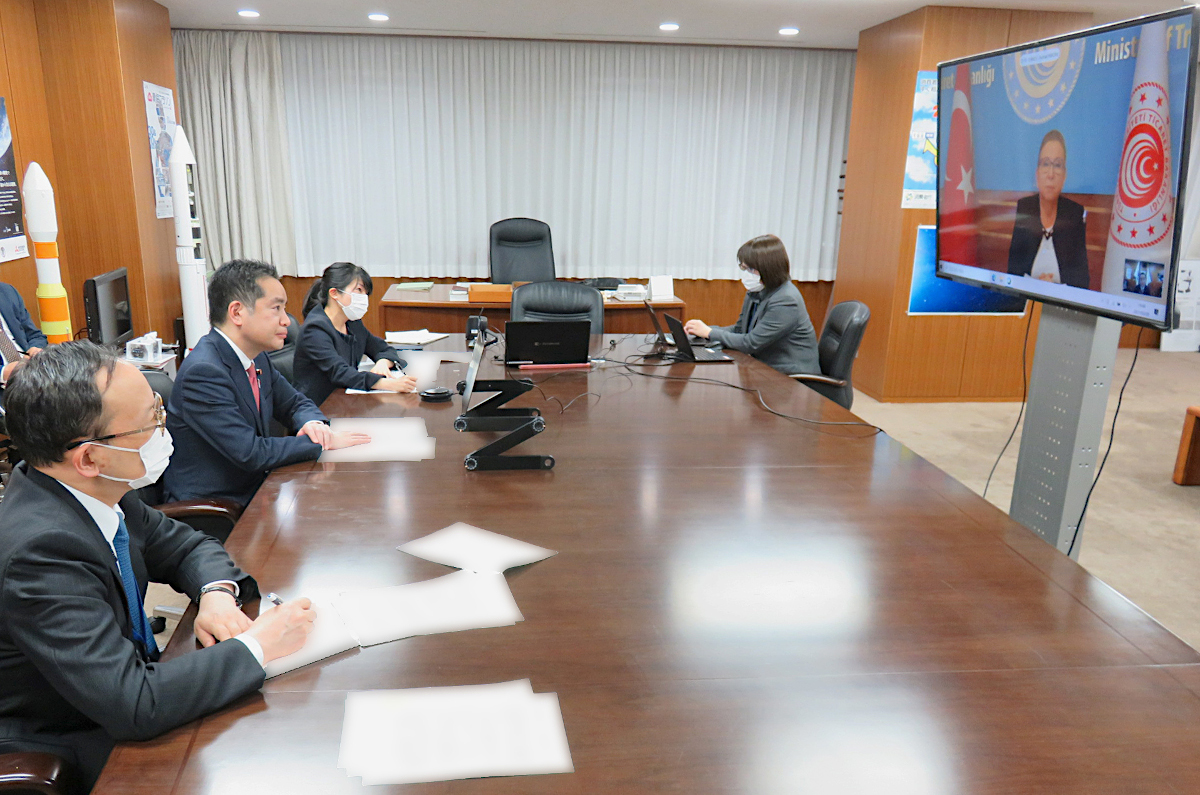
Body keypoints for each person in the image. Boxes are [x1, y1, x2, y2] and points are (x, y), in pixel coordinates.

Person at [0, 341, 316, 791]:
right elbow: (134, 703)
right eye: (152, 422)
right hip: (66, 737)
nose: (165, 431)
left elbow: (186, 546)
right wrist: (261, 645)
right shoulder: (41, 552)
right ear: (89, 457)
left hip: (120, 693)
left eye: (159, 410)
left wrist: (216, 595)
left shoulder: (97, 490)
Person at [162, 259, 370, 507]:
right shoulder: (204, 372)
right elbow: (250, 452)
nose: (286, 320)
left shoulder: (256, 356)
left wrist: (313, 423)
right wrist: (322, 442)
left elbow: (294, 402)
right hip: (219, 508)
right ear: (237, 312)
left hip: (260, 492)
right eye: (276, 309)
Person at [683, 235, 819, 375]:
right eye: (744, 268)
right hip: (765, 369)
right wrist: (701, 331)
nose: (747, 275)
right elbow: (740, 329)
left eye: (751, 269)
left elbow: (750, 343)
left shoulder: (786, 300)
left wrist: (709, 332)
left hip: (792, 378)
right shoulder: (757, 291)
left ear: (769, 269)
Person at [293, 262, 417, 405]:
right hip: (317, 408)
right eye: (358, 290)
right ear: (334, 293)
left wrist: (383, 362)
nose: (364, 297)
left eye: (366, 293)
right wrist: (387, 384)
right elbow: (340, 372)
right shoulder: (314, 329)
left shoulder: (352, 322)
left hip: (345, 402)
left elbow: (383, 348)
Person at [1007, 129, 1090, 289]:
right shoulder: (1025, 208)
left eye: (1057, 165)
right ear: (1037, 174)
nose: (1051, 174)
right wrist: (1037, 286)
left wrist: (1055, 289)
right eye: (1045, 164)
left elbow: (1082, 282)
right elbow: (1012, 273)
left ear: (1064, 176)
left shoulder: (1074, 214)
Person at [0, 281, 48, 395]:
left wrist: (35, 348)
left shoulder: (7, 292)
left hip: (30, 370)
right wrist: (2, 372)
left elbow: (35, 335)